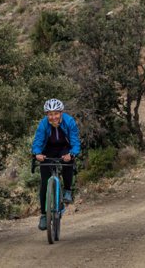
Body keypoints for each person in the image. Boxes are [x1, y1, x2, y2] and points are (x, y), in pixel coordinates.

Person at [32, 98, 81, 231]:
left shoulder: (69, 121)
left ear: (61, 113)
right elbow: (37, 141)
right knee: (44, 183)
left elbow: (75, 141)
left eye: (56, 113)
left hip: (64, 148)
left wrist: (72, 153)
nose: (53, 117)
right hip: (48, 150)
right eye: (50, 114)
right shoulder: (43, 124)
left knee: (68, 162)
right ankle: (43, 215)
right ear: (46, 115)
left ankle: (67, 190)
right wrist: (37, 153)